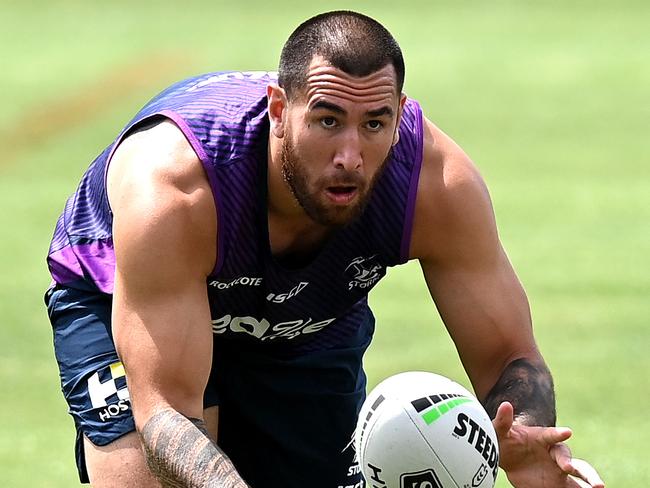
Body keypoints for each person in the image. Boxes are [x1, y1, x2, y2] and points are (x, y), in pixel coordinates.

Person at [45, 10, 604, 488]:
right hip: (120, 291)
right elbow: (166, 409)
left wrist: (526, 429)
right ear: (279, 109)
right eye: (327, 121)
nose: (351, 156)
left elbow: (510, 355)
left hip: (302, 318)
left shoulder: (434, 183)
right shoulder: (175, 186)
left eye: (374, 124)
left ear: (399, 113)